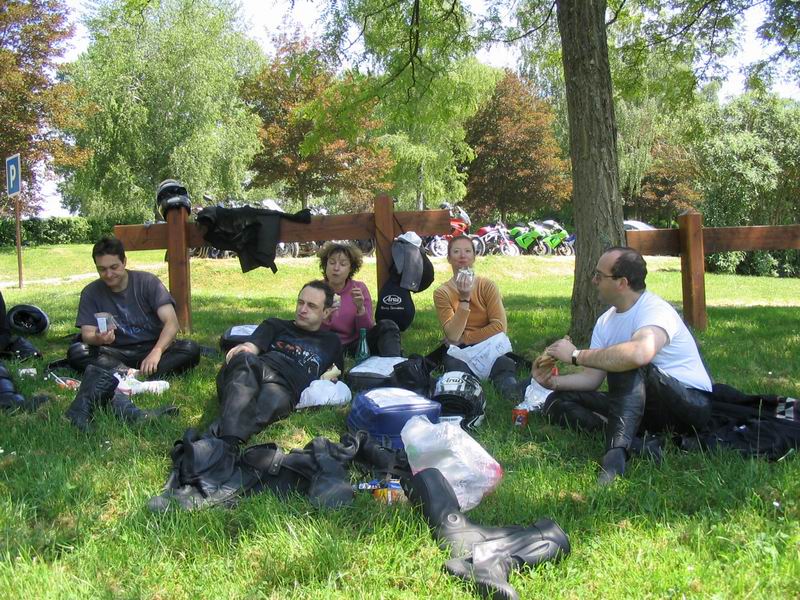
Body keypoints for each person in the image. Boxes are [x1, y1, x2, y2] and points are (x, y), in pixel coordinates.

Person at [534, 246, 713, 485]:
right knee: (557, 401)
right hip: (641, 405)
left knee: (626, 362)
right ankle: (639, 444)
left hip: (689, 403)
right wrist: (552, 382)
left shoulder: (655, 310)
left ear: (622, 283)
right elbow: (592, 378)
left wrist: (576, 355)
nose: (593, 281)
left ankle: (615, 458)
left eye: (599, 276)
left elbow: (638, 354)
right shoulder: (605, 321)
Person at [215, 280, 344, 446]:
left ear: (326, 313)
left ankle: (213, 443)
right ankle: (229, 443)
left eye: (311, 306)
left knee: (254, 405)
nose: (303, 309)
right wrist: (246, 348)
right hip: (255, 373)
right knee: (245, 359)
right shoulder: (275, 325)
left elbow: (335, 377)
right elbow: (251, 348)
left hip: (285, 388)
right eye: (300, 302)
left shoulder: (332, 342)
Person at [66, 237, 200, 377]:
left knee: (190, 348)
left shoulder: (148, 282)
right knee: (77, 352)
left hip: (152, 346)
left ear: (124, 262)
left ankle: (128, 374)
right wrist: (99, 339)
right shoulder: (90, 292)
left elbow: (172, 323)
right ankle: (132, 373)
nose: (109, 274)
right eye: (102, 269)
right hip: (115, 351)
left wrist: (157, 351)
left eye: (114, 267)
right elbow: (87, 335)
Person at [433, 235, 520, 399]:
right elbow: (452, 335)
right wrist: (464, 299)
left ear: (474, 257)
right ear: (449, 258)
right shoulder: (442, 292)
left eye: (467, 251)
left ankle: (513, 395)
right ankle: (470, 398)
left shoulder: (486, 286)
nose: (462, 255)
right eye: (456, 251)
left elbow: (499, 326)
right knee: (457, 370)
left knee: (504, 367)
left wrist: (465, 338)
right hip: (460, 351)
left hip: (489, 345)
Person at [317, 241, 402, 357]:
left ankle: (393, 362)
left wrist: (360, 309)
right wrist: (326, 318)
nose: (336, 268)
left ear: (351, 269)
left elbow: (366, 331)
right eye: (332, 263)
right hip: (325, 345)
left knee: (387, 325)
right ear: (325, 265)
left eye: (343, 264)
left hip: (355, 345)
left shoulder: (359, 289)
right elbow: (310, 330)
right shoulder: (316, 290)